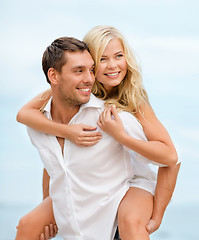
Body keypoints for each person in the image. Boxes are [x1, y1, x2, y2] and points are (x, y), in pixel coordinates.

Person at [16, 27, 180, 240]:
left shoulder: (132, 103)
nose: (112, 65)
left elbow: (172, 159)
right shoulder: (76, 90)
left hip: (134, 181)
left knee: (130, 220)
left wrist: (157, 216)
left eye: (119, 56)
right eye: (102, 59)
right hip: (98, 180)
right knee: (27, 225)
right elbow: (54, 156)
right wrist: (67, 132)